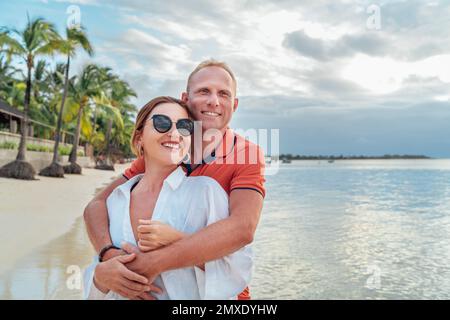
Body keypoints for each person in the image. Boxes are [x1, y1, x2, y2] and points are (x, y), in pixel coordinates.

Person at [83, 59, 266, 300]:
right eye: (204, 91)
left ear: (235, 104)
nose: (214, 101)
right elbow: (98, 205)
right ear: (185, 98)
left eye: (224, 93)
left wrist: (149, 265)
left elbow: (242, 229)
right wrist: (109, 256)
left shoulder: (245, 154)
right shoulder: (163, 152)